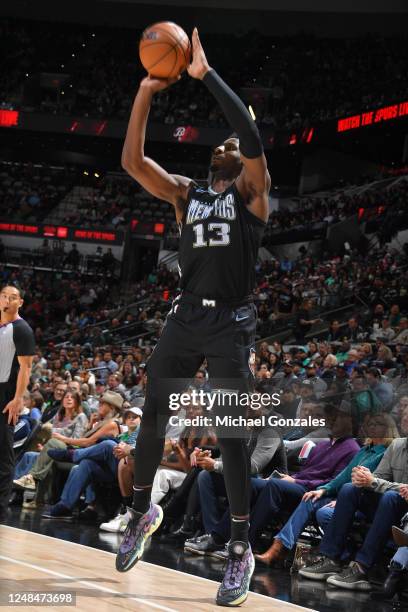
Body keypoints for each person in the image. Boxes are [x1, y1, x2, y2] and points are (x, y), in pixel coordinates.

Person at [117, 27, 270, 607]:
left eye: (239, 137)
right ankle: (141, 513)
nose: (233, 140)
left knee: (232, 436)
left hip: (232, 321)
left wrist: (204, 74)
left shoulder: (253, 195)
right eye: (227, 139)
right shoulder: (187, 193)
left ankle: (238, 549)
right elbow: (132, 160)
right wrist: (145, 91)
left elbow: (251, 133)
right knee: (154, 415)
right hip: (185, 316)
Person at [0, 284, 36, 522]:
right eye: (4, 296)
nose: (8, 300)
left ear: (20, 303)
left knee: (3, 455)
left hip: (5, 398)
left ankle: (1, 509)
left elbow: (27, 367)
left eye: (13, 298)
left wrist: (18, 398)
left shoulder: (21, 329)